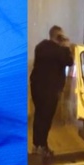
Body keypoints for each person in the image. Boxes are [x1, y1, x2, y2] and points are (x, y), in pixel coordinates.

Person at [30, 25, 74, 156]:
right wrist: (66, 46)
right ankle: (42, 146)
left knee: (39, 116)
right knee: (46, 118)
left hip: (36, 87)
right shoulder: (59, 51)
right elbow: (69, 61)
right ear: (59, 37)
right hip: (50, 89)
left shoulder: (40, 47)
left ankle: (36, 145)